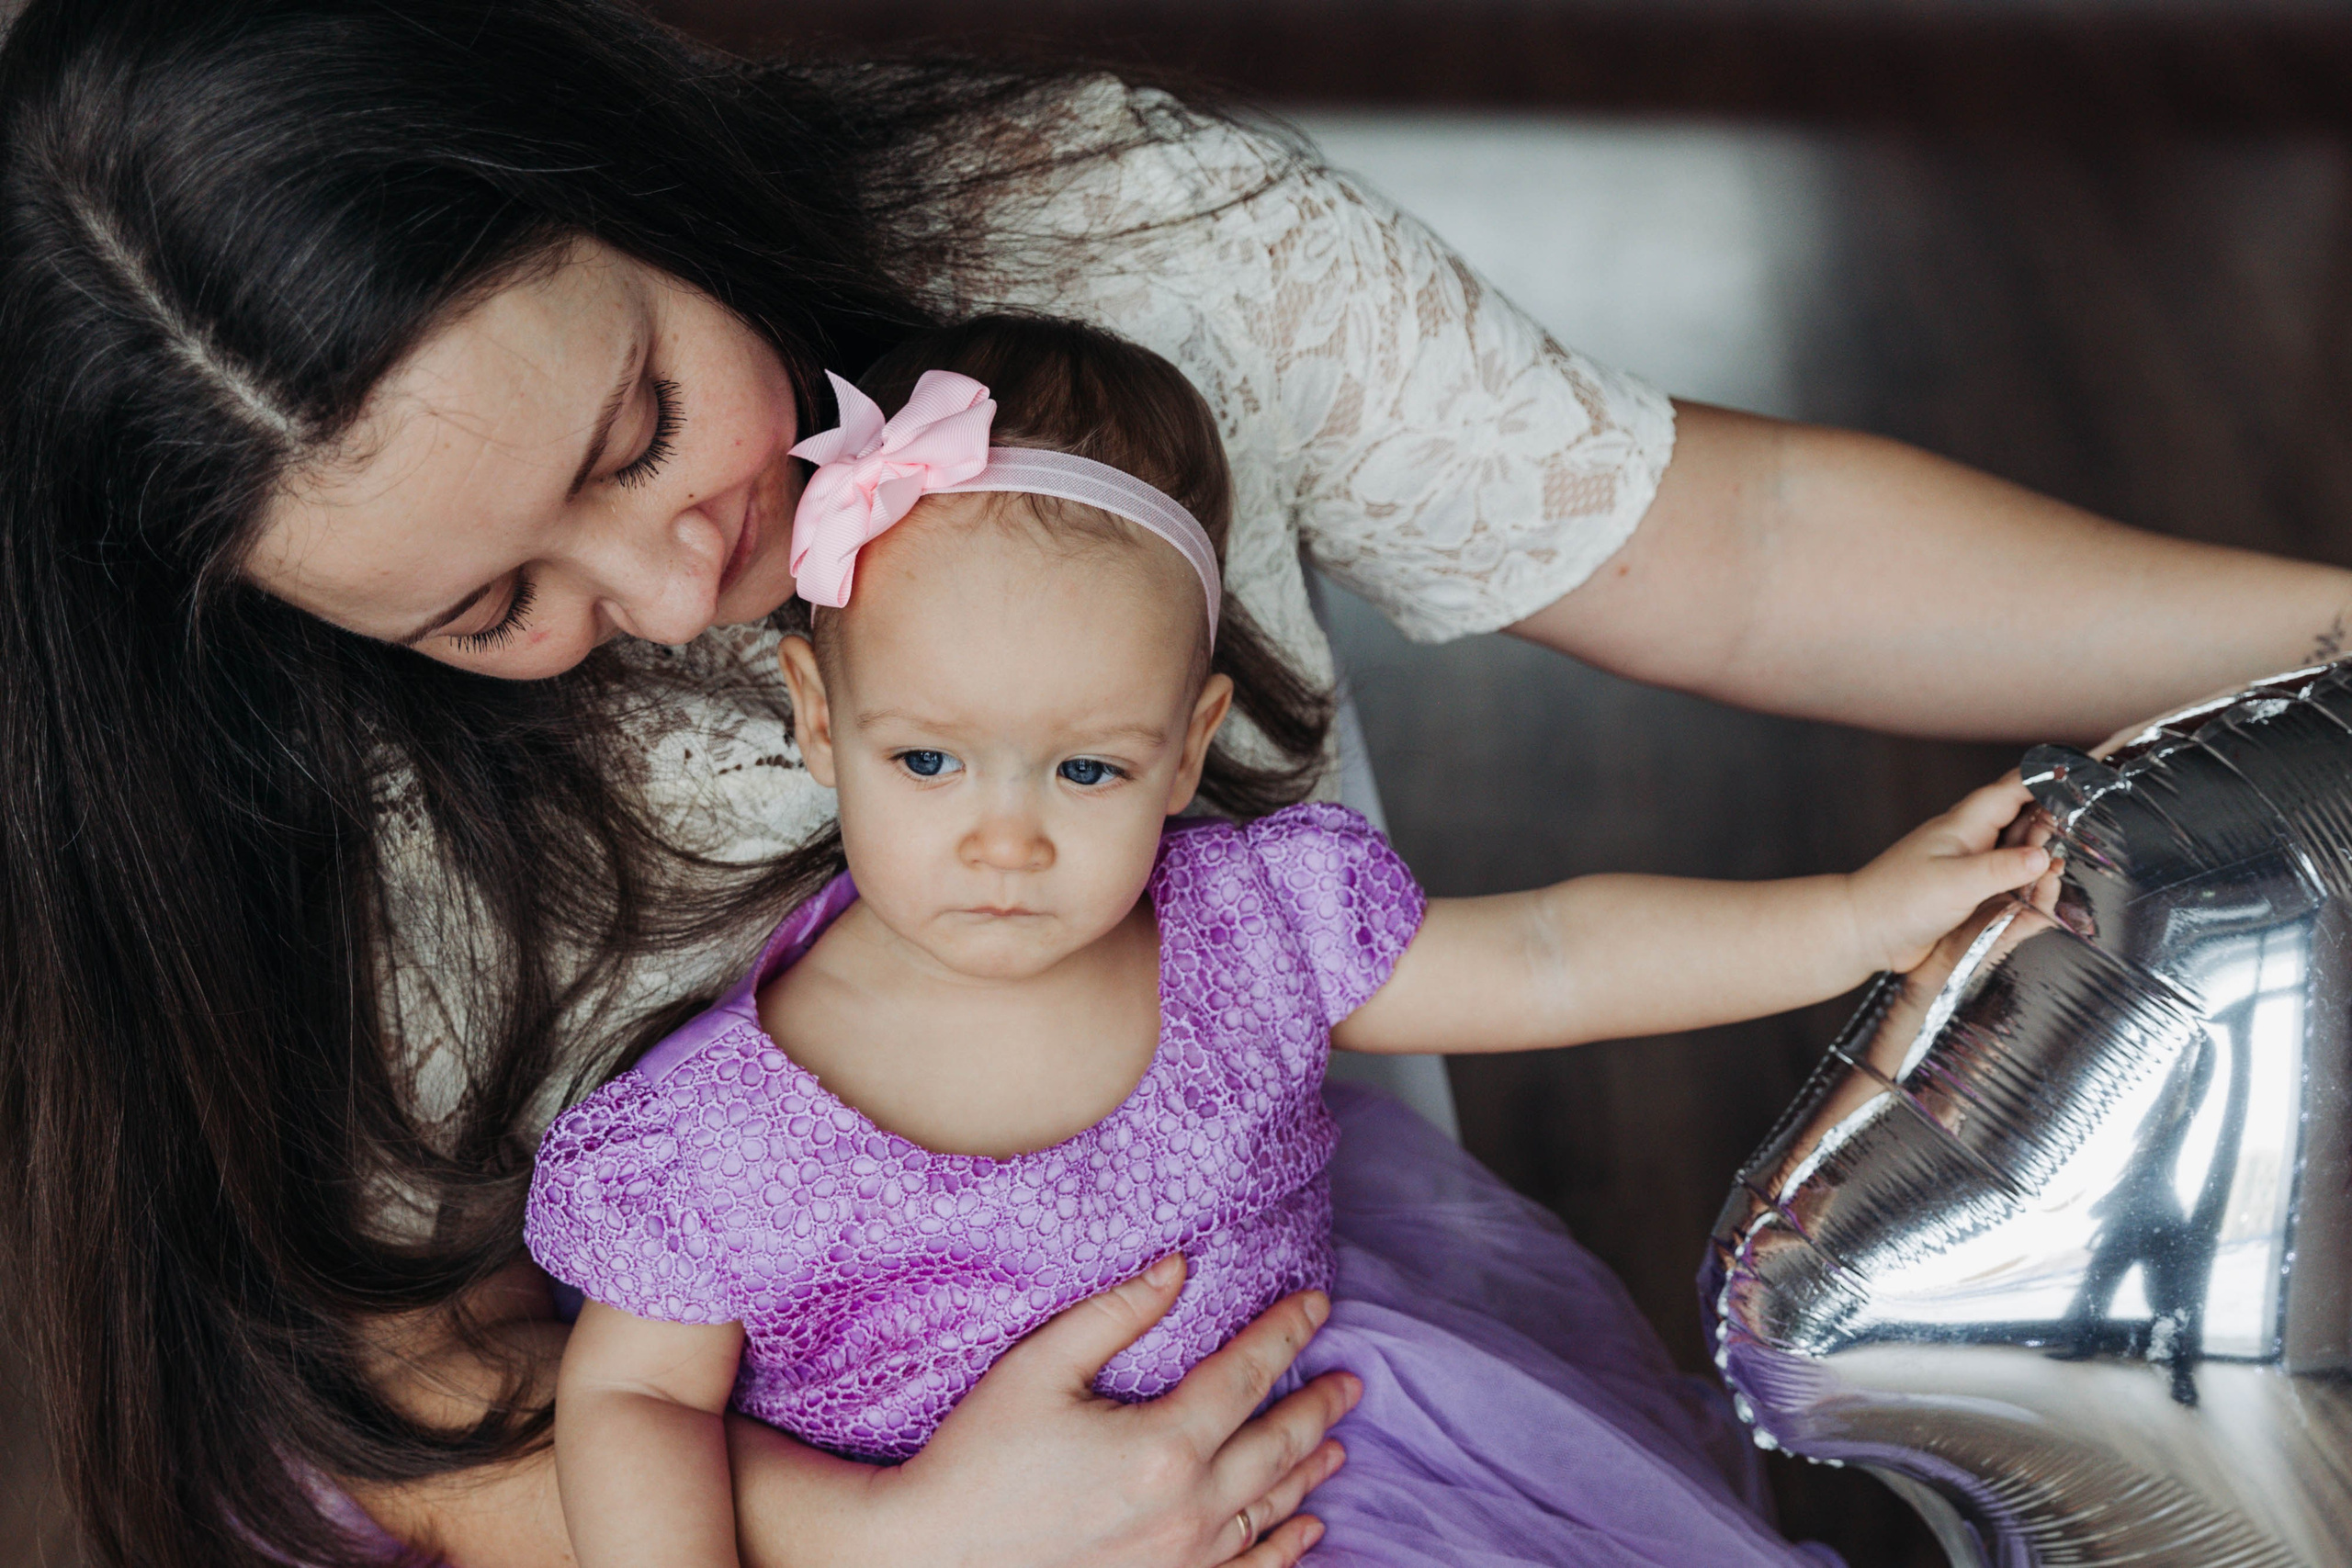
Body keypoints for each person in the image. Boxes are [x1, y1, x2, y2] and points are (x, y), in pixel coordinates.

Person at [0, 2, 2345, 1566]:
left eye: (635, 427)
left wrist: (2324, 628)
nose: (671, 567)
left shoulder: (1110, 248)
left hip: (1276, 1348)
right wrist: (899, 1542)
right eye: (484, 607)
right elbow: (443, 1382)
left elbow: (1718, 549)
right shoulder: (326, 858)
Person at [525, 313, 2047, 1566]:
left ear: (1187, 752)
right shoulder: (712, 1133)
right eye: (929, 761)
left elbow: (1553, 960)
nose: (1008, 839)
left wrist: (1856, 918)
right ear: (816, 719)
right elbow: (638, 1402)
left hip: (1347, 1478)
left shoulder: (1250, 928)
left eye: (1088, 769)